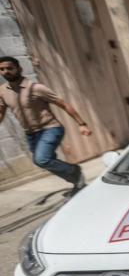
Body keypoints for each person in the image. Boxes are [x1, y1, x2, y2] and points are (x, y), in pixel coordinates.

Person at [0, 56, 91, 190]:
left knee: (42, 159)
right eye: (2, 69)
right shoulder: (2, 90)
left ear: (19, 69)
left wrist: (82, 124)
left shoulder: (36, 88)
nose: (6, 71)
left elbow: (63, 104)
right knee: (46, 162)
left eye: (10, 68)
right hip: (31, 134)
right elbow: (1, 111)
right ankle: (77, 183)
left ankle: (74, 170)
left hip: (50, 128)